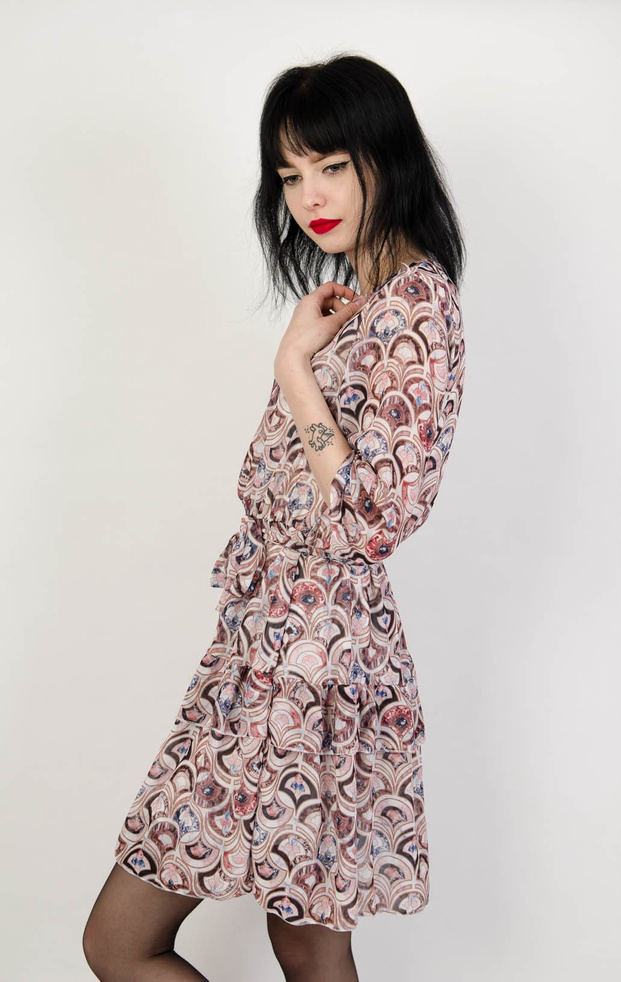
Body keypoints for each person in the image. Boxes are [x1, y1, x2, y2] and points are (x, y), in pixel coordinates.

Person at [83, 52, 466, 982]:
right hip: (265, 650)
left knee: (226, 940)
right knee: (216, 940)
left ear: (385, 157)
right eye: (290, 175)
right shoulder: (360, 307)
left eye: (331, 164)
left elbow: (373, 519)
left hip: (320, 663)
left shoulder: (417, 307)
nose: (309, 196)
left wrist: (294, 368)